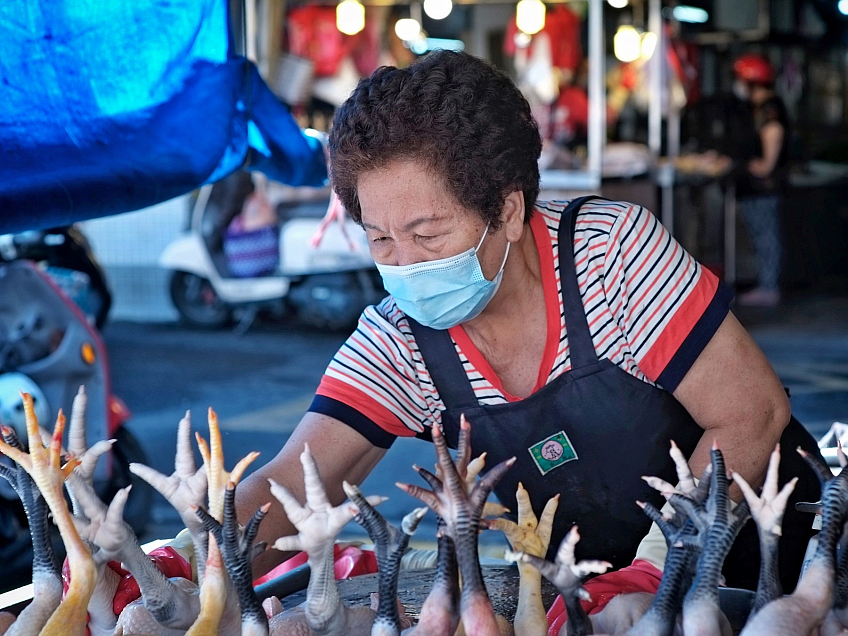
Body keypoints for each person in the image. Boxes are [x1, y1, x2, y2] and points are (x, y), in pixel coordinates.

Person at [234, 51, 820, 629]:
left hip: (778, 576)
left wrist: (660, 568)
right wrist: (181, 559)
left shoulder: (609, 255)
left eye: (428, 234)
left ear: (509, 210)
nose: (405, 264)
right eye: (381, 239)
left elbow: (751, 412)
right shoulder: (400, 339)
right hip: (596, 603)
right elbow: (291, 484)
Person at [732, 53, 792, 307]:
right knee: (762, 237)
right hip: (753, 189)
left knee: (767, 237)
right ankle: (766, 285)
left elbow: (774, 132)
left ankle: (769, 287)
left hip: (763, 188)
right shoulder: (757, 107)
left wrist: (765, 163)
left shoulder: (769, 108)